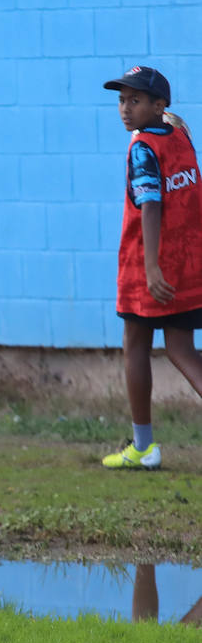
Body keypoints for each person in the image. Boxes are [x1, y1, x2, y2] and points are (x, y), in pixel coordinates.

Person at [101, 67, 202, 470]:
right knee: (181, 349)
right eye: (122, 100)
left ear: (159, 105)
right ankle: (144, 448)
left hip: (151, 266)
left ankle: (144, 446)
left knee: (135, 343)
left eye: (135, 100)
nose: (125, 109)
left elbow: (151, 204)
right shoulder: (179, 134)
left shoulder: (142, 147)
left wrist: (151, 267)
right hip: (190, 262)